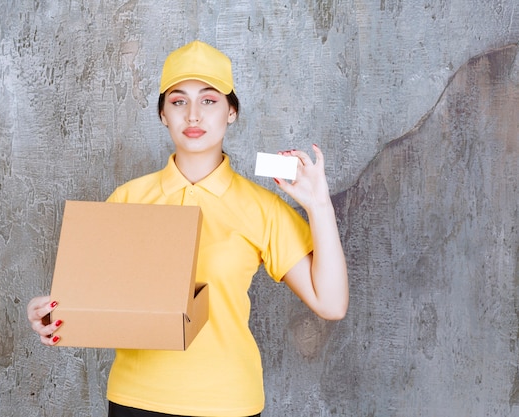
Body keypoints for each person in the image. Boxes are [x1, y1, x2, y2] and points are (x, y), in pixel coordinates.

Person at [27, 40, 349, 417]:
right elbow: (90, 302)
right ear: (163, 114)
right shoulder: (128, 198)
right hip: (136, 399)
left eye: (209, 101)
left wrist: (319, 206)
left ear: (231, 112)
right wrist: (48, 313)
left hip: (228, 403)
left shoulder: (262, 208)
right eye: (178, 101)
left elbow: (331, 303)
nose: (193, 115)